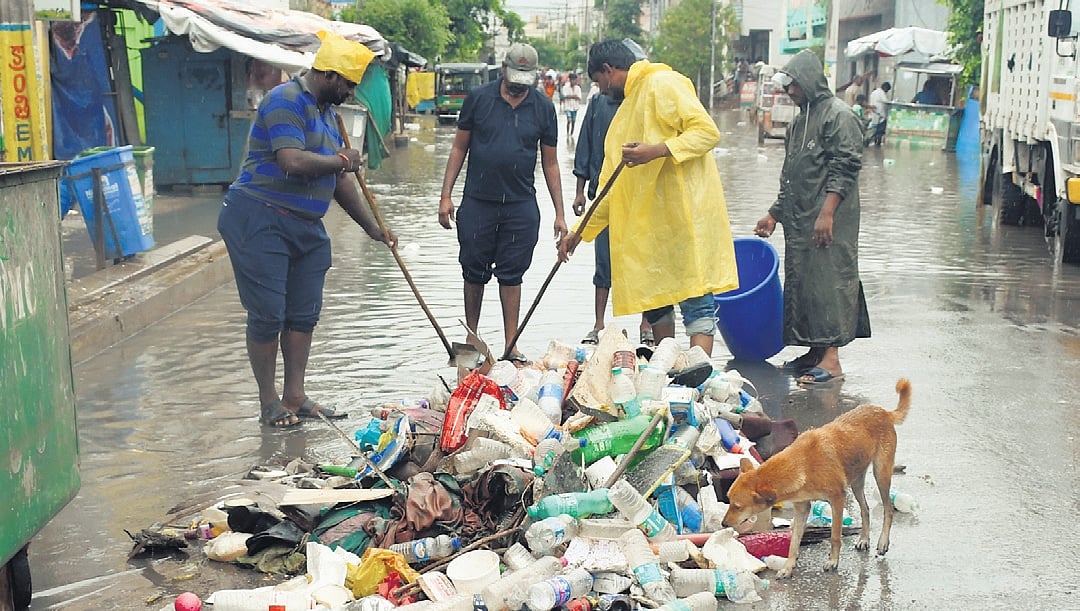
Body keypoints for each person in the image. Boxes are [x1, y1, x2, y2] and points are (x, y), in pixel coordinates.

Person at [217, 31, 396, 427]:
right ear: (329, 75)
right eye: (348, 84)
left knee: (303, 313)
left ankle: (295, 396)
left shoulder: (329, 115)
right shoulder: (285, 100)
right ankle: (269, 402)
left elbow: (341, 182)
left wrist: (373, 228)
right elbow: (292, 161)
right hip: (260, 218)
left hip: (305, 226)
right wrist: (341, 160)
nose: (351, 92)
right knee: (268, 314)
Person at [557, 39, 738, 356]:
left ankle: (701, 373)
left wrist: (655, 151)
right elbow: (611, 191)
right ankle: (668, 369)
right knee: (657, 301)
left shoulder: (665, 83)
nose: (600, 91)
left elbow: (707, 132)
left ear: (609, 70)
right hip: (652, 228)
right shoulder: (624, 115)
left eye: (598, 82)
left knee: (696, 300)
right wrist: (579, 232)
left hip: (684, 218)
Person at [438, 43, 568, 363]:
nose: (518, 84)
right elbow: (459, 148)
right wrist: (445, 195)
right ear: (503, 69)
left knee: (512, 274)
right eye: (514, 77)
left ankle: (511, 345)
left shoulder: (543, 108)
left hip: (520, 204)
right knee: (473, 270)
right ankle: (471, 340)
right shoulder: (478, 99)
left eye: (525, 79)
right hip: (478, 202)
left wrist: (560, 213)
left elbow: (550, 163)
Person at [754, 49, 870, 385]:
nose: (789, 91)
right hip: (801, 219)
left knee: (829, 283)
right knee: (805, 285)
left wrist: (828, 212)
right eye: (787, 86)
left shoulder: (839, 116)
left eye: (794, 85)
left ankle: (831, 360)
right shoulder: (799, 123)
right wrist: (775, 213)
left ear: (809, 81)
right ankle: (813, 352)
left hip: (829, 220)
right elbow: (791, 175)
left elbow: (846, 167)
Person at [572, 89, 654, 346]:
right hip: (604, 193)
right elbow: (585, 144)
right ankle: (599, 324)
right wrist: (579, 191)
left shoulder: (643, 100)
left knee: (645, 260)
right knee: (603, 261)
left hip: (640, 196)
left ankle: (647, 323)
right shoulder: (598, 103)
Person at [866, 81, 891, 146]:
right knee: (880, 130)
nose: (887, 92)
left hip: (874, 113)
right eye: (887, 90)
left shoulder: (874, 92)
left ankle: (873, 141)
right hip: (880, 114)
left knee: (874, 129)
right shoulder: (881, 93)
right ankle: (877, 142)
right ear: (885, 88)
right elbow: (886, 101)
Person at [561, 73, 583, 137]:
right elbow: (564, 96)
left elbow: (579, 97)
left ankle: (571, 134)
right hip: (567, 107)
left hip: (575, 107)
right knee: (569, 120)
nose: (573, 81)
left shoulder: (578, 88)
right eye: (572, 79)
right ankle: (567, 134)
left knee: (573, 121)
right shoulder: (565, 87)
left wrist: (570, 96)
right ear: (570, 80)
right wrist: (574, 96)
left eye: (574, 80)